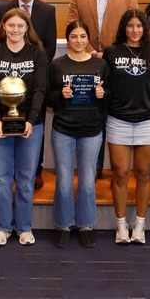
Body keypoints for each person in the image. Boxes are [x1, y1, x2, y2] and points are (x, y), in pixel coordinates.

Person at [67, 0, 138, 177]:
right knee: (92, 114)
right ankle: (94, 170)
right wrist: (91, 51)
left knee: (113, 115)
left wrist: (108, 54)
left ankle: (118, 170)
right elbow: (71, 26)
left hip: (117, 65)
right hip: (86, 62)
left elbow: (133, 29)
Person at [0, 8, 49, 247]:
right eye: (10, 25)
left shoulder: (37, 53)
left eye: (20, 26)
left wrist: (31, 119)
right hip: (0, 123)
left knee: (26, 178)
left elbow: (40, 89)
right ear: (3, 26)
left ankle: (24, 227)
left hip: (31, 125)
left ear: (26, 28)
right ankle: (2, 227)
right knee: (2, 177)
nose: (15, 30)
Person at [103, 9, 150, 245]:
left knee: (143, 174)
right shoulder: (112, 52)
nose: (135, 30)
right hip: (118, 120)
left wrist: (145, 103)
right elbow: (106, 85)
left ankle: (139, 225)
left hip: (146, 121)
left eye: (139, 26)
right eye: (130, 25)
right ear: (124, 28)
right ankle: (121, 225)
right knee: (119, 173)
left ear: (145, 28)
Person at [0, 0, 57, 190]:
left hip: (34, 78)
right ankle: (11, 171)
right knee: (8, 122)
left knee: (35, 120)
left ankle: (35, 169)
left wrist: (32, 66)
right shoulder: (4, 9)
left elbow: (49, 46)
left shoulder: (47, 10)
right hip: (7, 80)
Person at [47, 21, 108, 248]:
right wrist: (60, 95)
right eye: (74, 36)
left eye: (83, 36)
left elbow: (110, 95)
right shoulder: (57, 65)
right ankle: (63, 224)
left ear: (88, 38)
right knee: (63, 181)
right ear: (68, 39)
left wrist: (103, 94)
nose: (79, 41)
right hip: (63, 130)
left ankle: (86, 225)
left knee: (87, 181)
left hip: (91, 130)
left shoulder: (100, 65)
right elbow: (47, 98)